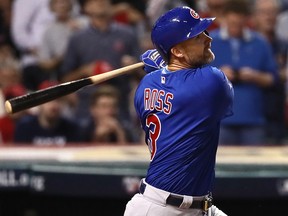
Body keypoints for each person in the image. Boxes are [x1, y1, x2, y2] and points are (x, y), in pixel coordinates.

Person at [124, 6, 233, 216]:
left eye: (205, 32)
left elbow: (173, 82)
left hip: (195, 206)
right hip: (161, 209)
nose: (208, 39)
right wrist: (162, 64)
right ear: (177, 51)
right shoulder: (212, 82)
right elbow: (190, 86)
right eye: (197, 37)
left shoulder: (147, 84)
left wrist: (163, 65)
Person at [60, 0, 140, 128]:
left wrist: (132, 66)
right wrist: (84, 71)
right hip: (86, 105)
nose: (100, 2)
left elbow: (142, 72)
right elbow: (64, 79)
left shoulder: (128, 34)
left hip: (119, 104)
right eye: (94, 1)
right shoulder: (77, 38)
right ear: (86, 8)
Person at [209, 0, 278, 145]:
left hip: (253, 119)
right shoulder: (208, 43)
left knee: (256, 167)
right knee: (219, 166)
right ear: (225, 18)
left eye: (239, 24)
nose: (235, 28)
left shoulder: (260, 43)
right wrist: (218, 75)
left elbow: (272, 79)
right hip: (219, 120)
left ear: (247, 20)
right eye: (232, 23)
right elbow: (194, 78)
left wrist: (255, 76)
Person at [252, 0, 287, 143]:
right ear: (254, 16)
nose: (269, 17)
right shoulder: (246, 43)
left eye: (272, 13)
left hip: (276, 114)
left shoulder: (283, 45)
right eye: (264, 13)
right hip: (252, 112)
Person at [13, 80, 83, 146]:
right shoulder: (25, 129)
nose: (54, 106)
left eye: (58, 100)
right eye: (48, 100)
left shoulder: (72, 129)